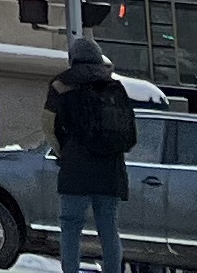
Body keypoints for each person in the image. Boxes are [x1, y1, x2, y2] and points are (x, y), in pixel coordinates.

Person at [49, 34, 140, 273]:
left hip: (75, 170)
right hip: (110, 170)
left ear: (73, 59)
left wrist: (63, 151)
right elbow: (130, 132)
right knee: (108, 229)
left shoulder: (61, 85)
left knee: (70, 228)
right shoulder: (114, 86)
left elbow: (48, 123)